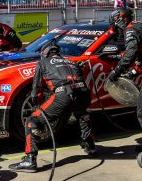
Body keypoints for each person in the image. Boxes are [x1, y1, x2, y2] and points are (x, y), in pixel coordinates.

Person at [9, 42, 96, 172]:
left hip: (64, 95)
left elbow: (36, 91)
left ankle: (30, 159)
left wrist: (38, 102)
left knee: (32, 121)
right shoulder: (71, 62)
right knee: (81, 113)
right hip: (84, 94)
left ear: (45, 54)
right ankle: (90, 146)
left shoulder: (43, 63)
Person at [107, 7, 142, 153]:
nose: (116, 30)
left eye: (115, 26)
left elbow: (131, 53)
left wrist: (116, 71)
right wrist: (132, 72)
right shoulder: (141, 26)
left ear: (121, 20)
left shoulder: (131, 30)